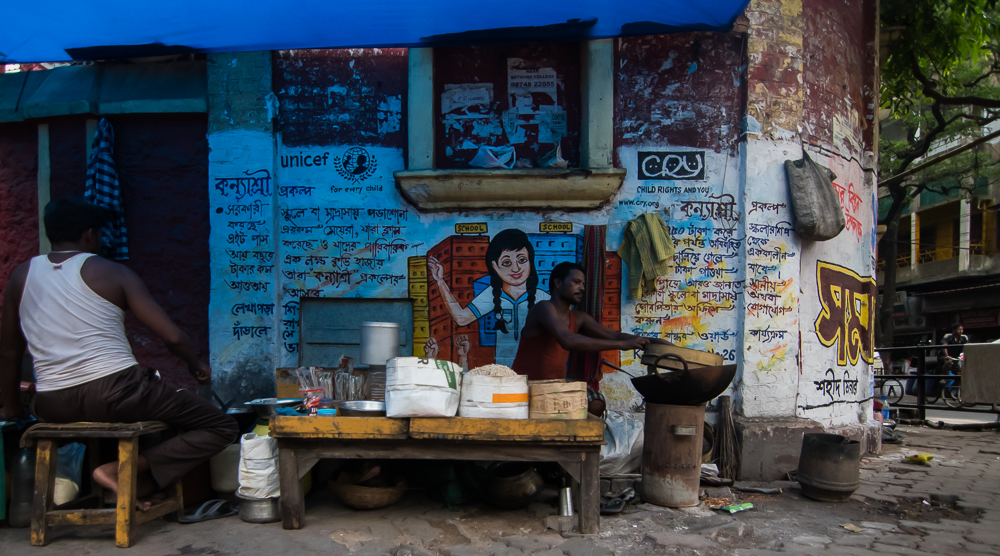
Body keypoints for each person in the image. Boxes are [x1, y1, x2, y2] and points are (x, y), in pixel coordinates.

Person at [0, 198, 238, 510]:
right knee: (221, 426)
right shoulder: (111, 272)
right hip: (118, 394)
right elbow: (172, 336)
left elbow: (8, 351)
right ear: (89, 235)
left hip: (52, 403)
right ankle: (127, 474)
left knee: (142, 412)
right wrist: (195, 364)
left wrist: (11, 409)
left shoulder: (21, 276)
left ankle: (119, 480)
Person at [512, 262, 672, 384]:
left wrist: (653, 342)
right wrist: (624, 345)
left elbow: (613, 335)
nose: (582, 288)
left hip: (555, 388)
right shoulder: (543, 308)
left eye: (583, 284)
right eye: (576, 282)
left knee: (596, 403)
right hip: (524, 387)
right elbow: (567, 340)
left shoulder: (579, 317)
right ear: (558, 283)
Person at [428, 229, 549, 366]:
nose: (516, 269)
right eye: (507, 263)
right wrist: (440, 281)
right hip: (504, 372)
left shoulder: (543, 298)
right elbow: (461, 318)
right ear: (495, 266)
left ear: (530, 262)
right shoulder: (491, 294)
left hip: (536, 370)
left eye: (522, 260)